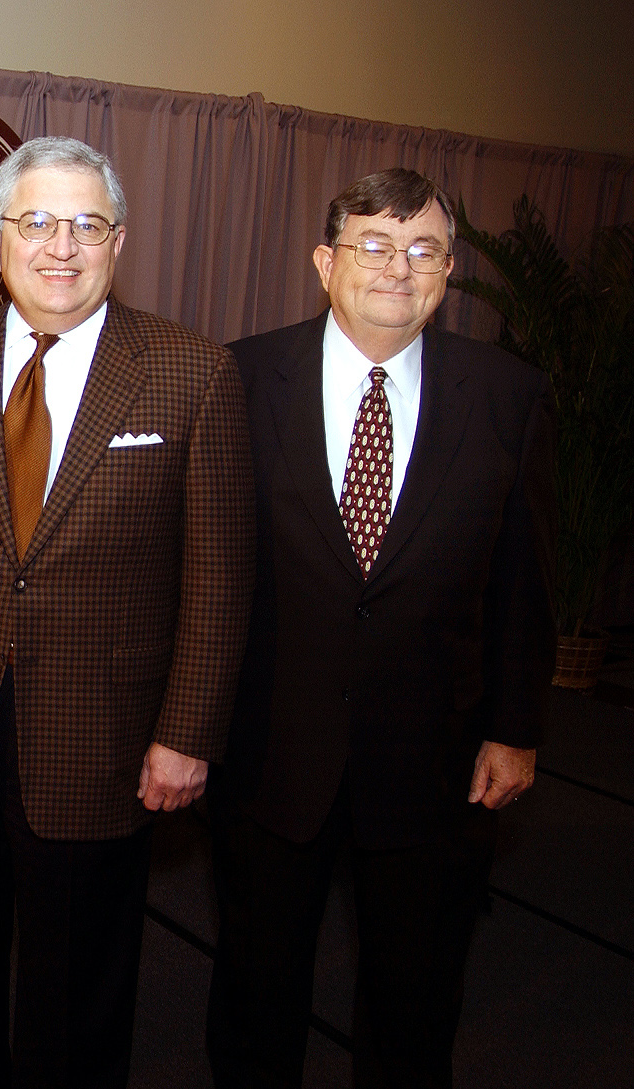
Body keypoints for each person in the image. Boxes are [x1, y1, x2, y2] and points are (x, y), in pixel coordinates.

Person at [0, 135, 255, 1088]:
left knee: (80, 996)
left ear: (118, 239)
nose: (61, 246)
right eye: (37, 221)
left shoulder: (191, 372)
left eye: (85, 224)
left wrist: (187, 732)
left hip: (104, 739)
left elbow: (219, 580)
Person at [207, 168, 556, 1088]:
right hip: (268, 750)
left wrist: (515, 728)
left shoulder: (508, 396)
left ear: (446, 273)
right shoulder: (237, 377)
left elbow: (525, 583)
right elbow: (202, 572)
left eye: (424, 249)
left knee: (414, 1002)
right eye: (373, 243)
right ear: (325, 263)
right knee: (253, 992)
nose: (397, 267)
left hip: (436, 763)